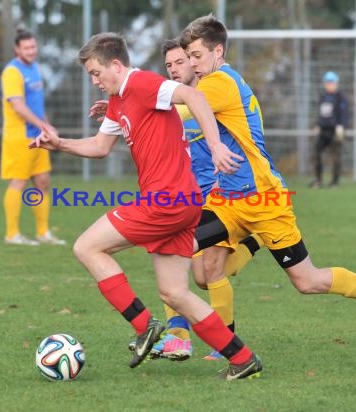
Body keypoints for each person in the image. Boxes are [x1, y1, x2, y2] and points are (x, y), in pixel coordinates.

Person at [176, 15, 356, 368]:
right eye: (190, 56)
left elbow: (183, 108)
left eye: (197, 56)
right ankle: (200, 338)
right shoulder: (214, 81)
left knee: (308, 282)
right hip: (227, 200)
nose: (193, 64)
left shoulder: (220, 83)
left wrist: (132, 104)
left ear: (218, 51)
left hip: (264, 201)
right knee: (184, 254)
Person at [30, 32, 263, 381]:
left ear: (117, 65)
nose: (94, 81)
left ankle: (144, 325)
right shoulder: (119, 100)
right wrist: (59, 143)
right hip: (182, 202)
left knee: (87, 247)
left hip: (166, 200)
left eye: (96, 73)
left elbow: (193, 97)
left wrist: (215, 146)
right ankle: (243, 359)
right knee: (175, 292)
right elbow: (99, 146)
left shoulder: (141, 83)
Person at [150, 38, 262, 362]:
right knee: (192, 271)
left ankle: (216, 342)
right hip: (189, 195)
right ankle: (178, 335)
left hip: (223, 194)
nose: (173, 69)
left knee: (206, 269)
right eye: (168, 65)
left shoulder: (210, 94)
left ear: (193, 60)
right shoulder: (178, 99)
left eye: (179, 62)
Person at [0, 28, 65, 246]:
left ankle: (43, 232)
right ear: (17, 49)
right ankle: (12, 234)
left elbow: (36, 105)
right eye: (26, 47)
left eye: (33, 46)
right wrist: (44, 125)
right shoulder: (12, 72)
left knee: (43, 182)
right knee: (18, 182)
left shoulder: (35, 68)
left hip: (38, 134)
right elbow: (18, 106)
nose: (31, 51)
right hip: (20, 136)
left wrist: (45, 124)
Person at [309, 71, 349, 188]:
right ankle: (318, 180)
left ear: (336, 83)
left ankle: (335, 182)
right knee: (316, 154)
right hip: (323, 131)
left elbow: (344, 113)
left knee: (336, 156)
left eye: (331, 82)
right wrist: (318, 125)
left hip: (335, 131)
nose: (329, 85)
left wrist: (341, 126)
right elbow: (322, 114)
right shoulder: (323, 97)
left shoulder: (340, 97)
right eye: (327, 82)